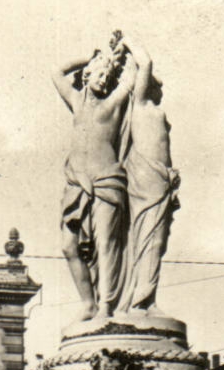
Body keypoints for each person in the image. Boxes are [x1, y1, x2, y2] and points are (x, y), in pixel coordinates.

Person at [54, 31, 140, 320]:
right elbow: (56, 72)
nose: (103, 80)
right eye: (98, 75)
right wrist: (92, 57)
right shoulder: (76, 102)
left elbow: (130, 78)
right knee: (69, 247)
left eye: (106, 76)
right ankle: (88, 303)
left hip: (107, 181)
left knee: (106, 243)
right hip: (77, 183)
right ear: (87, 75)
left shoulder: (113, 104)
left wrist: (122, 53)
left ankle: (106, 306)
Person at [121, 42, 179, 315]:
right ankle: (141, 300)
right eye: (155, 84)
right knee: (150, 239)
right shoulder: (140, 105)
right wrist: (126, 42)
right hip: (148, 179)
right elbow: (145, 62)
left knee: (156, 239)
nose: (160, 87)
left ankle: (145, 296)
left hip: (160, 179)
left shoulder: (149, 109)